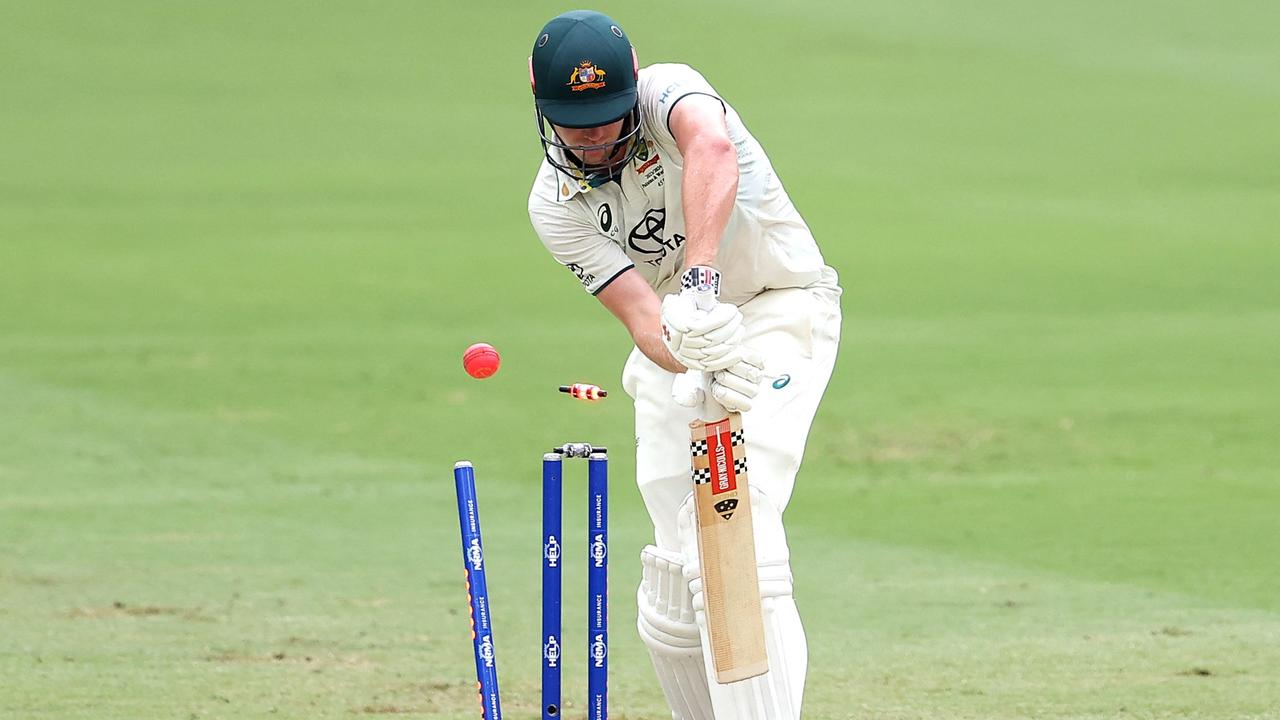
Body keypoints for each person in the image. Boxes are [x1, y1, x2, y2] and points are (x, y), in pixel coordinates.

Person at [526, 10, 842, 719]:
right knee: (677, 558)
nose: (597, 135)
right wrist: (697, 353)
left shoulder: (672, 94)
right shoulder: (554, 206)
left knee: (737, 515)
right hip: (683, 342)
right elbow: (642, 318)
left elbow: (713, 151)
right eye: (577, 124)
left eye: (607, 117)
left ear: (632, 83)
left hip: (781, 305)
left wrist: (700, 287)